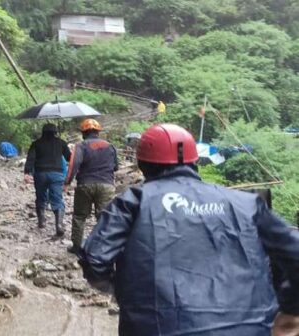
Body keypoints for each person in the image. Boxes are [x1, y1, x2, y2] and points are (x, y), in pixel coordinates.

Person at [79, 124, 299, 336]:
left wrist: (125, 293)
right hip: (250, 327)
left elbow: (95, 260)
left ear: (142, 164)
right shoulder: (247, 204)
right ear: (195, 161)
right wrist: (288, 308)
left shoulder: (133, 202)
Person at [65, 118, 118, 253]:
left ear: (84, 133)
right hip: (106, 185)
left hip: (85, 185)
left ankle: (77, 247)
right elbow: (116, 167)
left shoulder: (81, 146)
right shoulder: (110, 146)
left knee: (79, 216)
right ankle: (103, 247)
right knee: (104, 216)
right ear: (98, 132)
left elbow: (73, 165)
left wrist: (67, 182)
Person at [24, 123, 71, 236]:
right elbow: (69, 157)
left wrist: (27, 172)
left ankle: (41, 221)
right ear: (55, 132)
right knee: (57, 199)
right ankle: (59, 225)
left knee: (41, 196)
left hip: (40, 174)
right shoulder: (61, 143)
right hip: (57, 174)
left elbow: (31, 158)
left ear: (43, 132)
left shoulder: (36, 143)